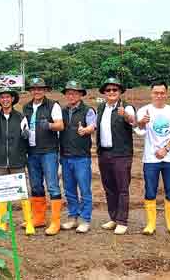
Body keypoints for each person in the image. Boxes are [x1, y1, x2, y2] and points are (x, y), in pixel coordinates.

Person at [136, 81, 170, 236]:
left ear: (166, 94)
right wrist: (142, 123)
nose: (159, 95)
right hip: (150, 159)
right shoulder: (144, 111)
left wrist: (166, 149)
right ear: (151, 94)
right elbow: (140, 131)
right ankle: (151, 224)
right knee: (150, 190)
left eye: (162, 93)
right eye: (156, 92)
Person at [0, 87, 34, 235]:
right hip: (0, 161)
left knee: (22, 192)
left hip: (17, 160)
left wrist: (26, 134)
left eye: (8, 97)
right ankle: (3, 223)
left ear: (12, 99)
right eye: (2, 98)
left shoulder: (21, 117)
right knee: (1, 193)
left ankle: (29, 222)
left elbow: (27, 136)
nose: (5, 100)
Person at [22, 77, 65, 235]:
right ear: (30, 91)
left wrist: (48, 125)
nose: (36, 91)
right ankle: (38, 218)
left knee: (52, 185)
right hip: (31, 151)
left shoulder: (53, 105)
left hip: (48, 151)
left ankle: (55, 222)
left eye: (40, 88)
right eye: (33, 89)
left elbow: (60, 125)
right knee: (35, 186)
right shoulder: (26, 107)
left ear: (45, 90)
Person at [96, 77, 136, 235]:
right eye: (108, 90)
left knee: (122, 188)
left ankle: (122, 221)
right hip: (104, 153)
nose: (111, 92)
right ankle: (113, 218)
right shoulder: (101, 108)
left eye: (115, 90)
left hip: (121, 154)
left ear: (120, 92)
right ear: (104, 93)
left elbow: (134, 122)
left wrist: (125, 115)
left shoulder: (127, 107)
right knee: (109, 188)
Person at [58, 81, 96, 234]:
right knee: (69, 189)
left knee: (85, 189)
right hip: (66, 156)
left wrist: (86, 130)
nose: (71, 95)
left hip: (81, 157)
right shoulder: (62, 111)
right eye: (68, 93)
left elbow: (93, 125)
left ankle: (85, 220)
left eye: (74, 92)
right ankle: (72, 217)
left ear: (80, 94)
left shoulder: (88, 110)